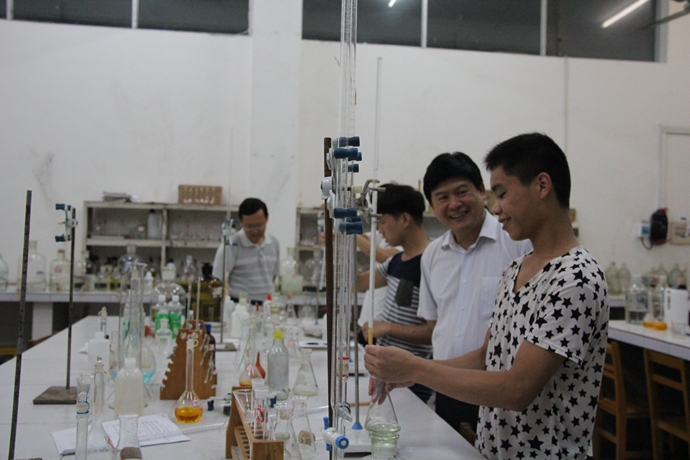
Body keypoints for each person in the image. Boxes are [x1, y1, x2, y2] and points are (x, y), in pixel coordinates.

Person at [364, 133, 609, 459]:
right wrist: (409, 371)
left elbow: (517, 389)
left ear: (542, 185)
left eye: (502, 194)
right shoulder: (517, 269)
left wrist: (416, 369)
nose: (497, 208)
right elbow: (486, 356)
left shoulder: (575, 278)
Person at [417, 151, 532, 434]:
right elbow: (433, 324)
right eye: (442, 197)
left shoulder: (517, 243)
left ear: (482, 191)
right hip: (448, 389)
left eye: (461, 192)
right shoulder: (432, 255)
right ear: (432, 205)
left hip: (500, 391)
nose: (454, 204)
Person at [357, 184, 433, 402]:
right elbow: (360, 283)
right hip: (387, 373)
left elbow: (433, 333)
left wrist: (388, 327)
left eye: (382, 222)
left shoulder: (430, 263)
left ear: (405, 219)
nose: (379, 230)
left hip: (412, 380)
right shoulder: (397, 261)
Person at [212, 198, 280, 304]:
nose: (255, 230)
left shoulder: (273, 243)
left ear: (267, 218)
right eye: (249, 226)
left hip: (267, 305)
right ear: (241, 222)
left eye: (259, 225)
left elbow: (274, 277)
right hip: (240, 305)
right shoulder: (231, 246)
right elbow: (217, 280)